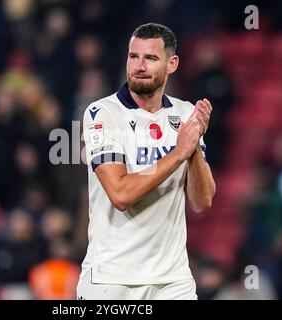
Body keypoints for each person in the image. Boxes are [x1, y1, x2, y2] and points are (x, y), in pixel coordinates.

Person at [77, 23, 216, 300]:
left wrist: (192, 152)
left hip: (173, 281)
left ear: (171, 63)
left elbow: (202, 202)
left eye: (150, 58)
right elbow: (121, 194)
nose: (139, 66)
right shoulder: (103, 114)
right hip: (112, 280)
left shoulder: (185, 113)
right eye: (133, 56)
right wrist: (178, 152)